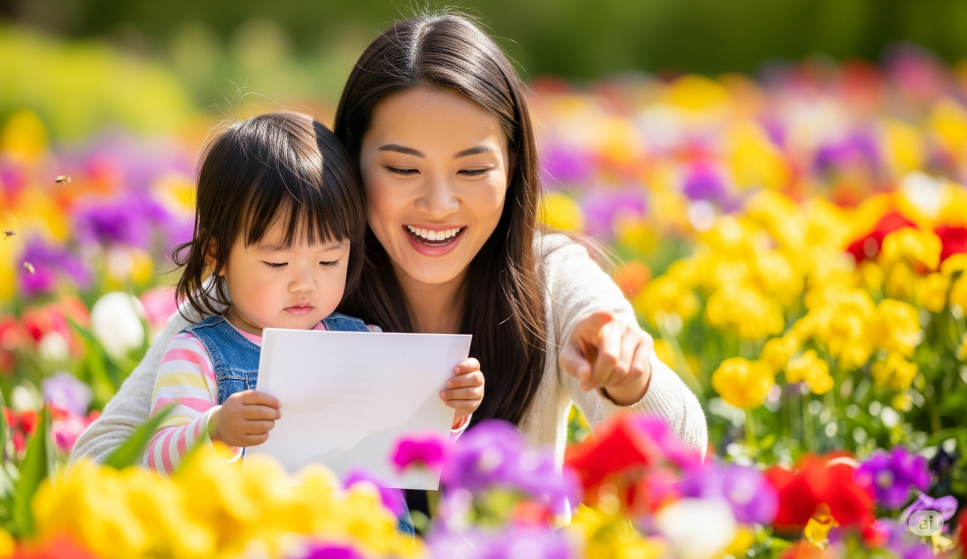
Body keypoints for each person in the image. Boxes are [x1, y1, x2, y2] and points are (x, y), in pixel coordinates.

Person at [73, 14, 706, 479]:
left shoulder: (553, 283)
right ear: (348, 165)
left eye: (471, 169)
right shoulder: (262, 290)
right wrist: (210, 436)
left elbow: (684, 454)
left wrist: (629, 378)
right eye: (402, 169)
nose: (438, 203)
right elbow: (94, 466)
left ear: (514, 169)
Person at [139, 112, 482, 483]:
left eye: (329, 260)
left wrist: (448, 409)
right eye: (277, 262)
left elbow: (403, 450)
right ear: (215, 255)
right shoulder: (197, 354)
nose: (305, 283)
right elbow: (157, 460)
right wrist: (216, 430)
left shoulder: (366, 343)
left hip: (363, 530)